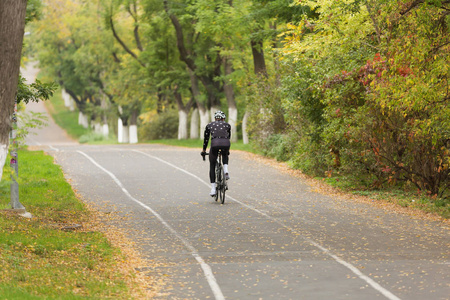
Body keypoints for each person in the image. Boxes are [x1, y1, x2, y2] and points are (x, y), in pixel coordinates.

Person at [201, 110, 231, 196]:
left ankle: (213, 189)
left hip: (215, 144)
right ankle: (226, 170)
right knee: (225, 153)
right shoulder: (227, 125)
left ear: (215, 118)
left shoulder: (209, 125)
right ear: (223, 119)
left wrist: (204, 150)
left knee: (212, 165)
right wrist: (227, 150)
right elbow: (228, 137)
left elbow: (206, 139)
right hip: (226, 143)